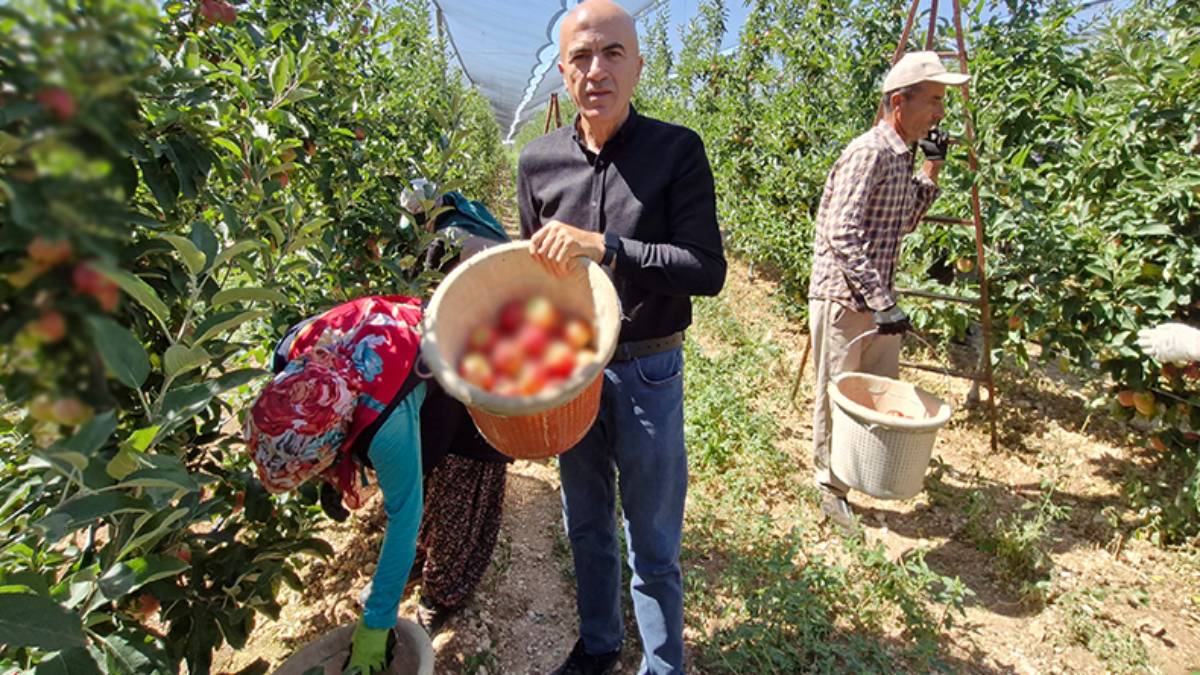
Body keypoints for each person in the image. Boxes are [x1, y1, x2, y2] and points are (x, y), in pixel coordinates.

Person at [516, 2, 726, 673]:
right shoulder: (538, 163)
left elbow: (706, 270)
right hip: (571, 372)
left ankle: (664, 663)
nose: (596, 69)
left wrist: (606, 247)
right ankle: (600, 644)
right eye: (581, 56)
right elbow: (534, 276)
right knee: (585, 523)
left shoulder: (677, 151)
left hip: (647, 369)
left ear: (638, 64)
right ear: (561, 70)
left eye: (612, 53)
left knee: (653, 539)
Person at [807, 51, 969, 528]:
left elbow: (905, 223)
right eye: (935, 101)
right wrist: (880, 301)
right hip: (846, 299)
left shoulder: (903, 157)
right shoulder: (869, 152)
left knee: (873, 395)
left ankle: (860, 472)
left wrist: (933, 169)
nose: (940, 113)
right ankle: (829, 485)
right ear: (899, 102)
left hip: (876, 301)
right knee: (838, 394)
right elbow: (842, 231)